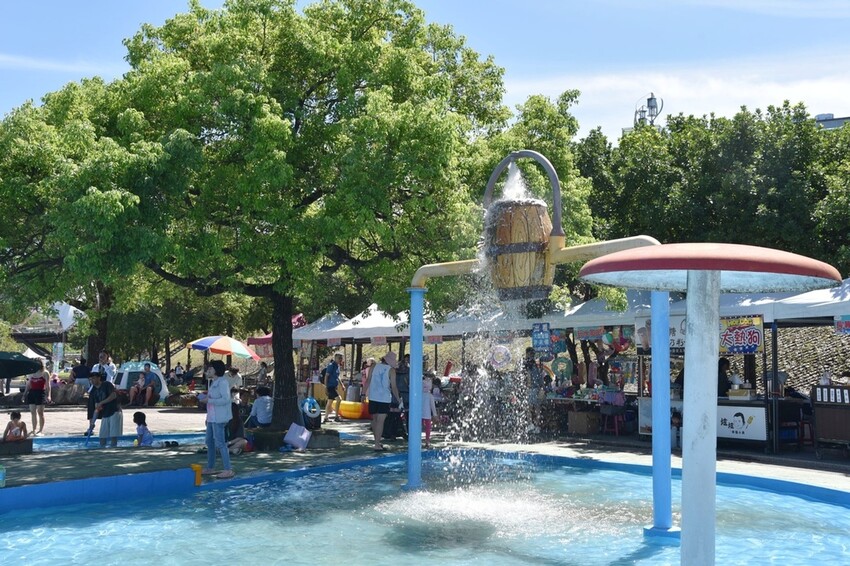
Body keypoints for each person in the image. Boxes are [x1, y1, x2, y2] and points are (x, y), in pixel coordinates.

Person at [202, 360, 235, 479]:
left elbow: (226, 399)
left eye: (211, 368)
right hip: (212, 417)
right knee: (209, 441)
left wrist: (209, 400)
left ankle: (228, 469)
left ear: (216, 370)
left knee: (220, 443)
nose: (208, 370)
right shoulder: (213, 382)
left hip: (219, 417)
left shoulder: (223, 382)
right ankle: (210, 467)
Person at [365, 351, 399, 451]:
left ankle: (377, 442)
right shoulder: (391, 370)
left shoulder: (373, 366)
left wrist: (363, 393)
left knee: (374, 420)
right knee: (381, 421)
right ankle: (377, 444)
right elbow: (393, 387)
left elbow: (368, 380)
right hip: (384, 398)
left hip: (373, 396)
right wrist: (398, 399)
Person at [87, 371, 123, 447]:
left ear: (99, 378)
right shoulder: (93, 391)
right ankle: (102, 449)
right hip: (105, 414)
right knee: (102, 436)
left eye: (93, 378)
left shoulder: (107, 384)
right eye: (90, 379)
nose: (92, 381)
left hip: (115, 411)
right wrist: (92, 422)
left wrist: (101, 402)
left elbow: (113, 395)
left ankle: (113, 449)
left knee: (113, 435)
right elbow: (97, 408)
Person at [24, 359, 51, 435]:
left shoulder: (45, 373)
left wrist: (49, 395)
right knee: (33, 412)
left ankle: (40, 430)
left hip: (40, 392)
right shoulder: (31, 373)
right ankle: (34, 429)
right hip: (32, 392)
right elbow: (28, 384)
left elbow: (48, 385)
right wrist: (24, 394)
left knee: (40, 412)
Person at [523, 347, 543, 434]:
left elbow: (529, 377)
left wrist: (528, 386)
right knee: (536, 408)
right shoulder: (535, 364)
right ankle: (536, 426)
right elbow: (539, 377)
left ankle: (531, 424)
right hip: (536, 388)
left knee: (529, 407)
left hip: (532, 388)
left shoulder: (529, 363)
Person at [322, 353, 346, 423]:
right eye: (339, 358)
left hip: (334, 386)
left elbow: (338, 376)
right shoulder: (331, 365)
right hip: (330, 386)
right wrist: (326, 387)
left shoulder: (337, 366)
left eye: (341, 358)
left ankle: (326, 418)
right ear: (335, 358)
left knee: (330, 402)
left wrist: (342, 385)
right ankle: (336, 417)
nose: (340, 359)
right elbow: (326, 376)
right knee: (339, 399)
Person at [421, 374, 438, 449]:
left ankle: (424, 441)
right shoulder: (430, 396)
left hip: (421, 414)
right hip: (427, 414)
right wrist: (435, 415)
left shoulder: (419, 395)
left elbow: (432, 406)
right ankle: (427, 441)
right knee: (427, 427)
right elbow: (433, 406)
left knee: (421, 427)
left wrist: (434, 414)